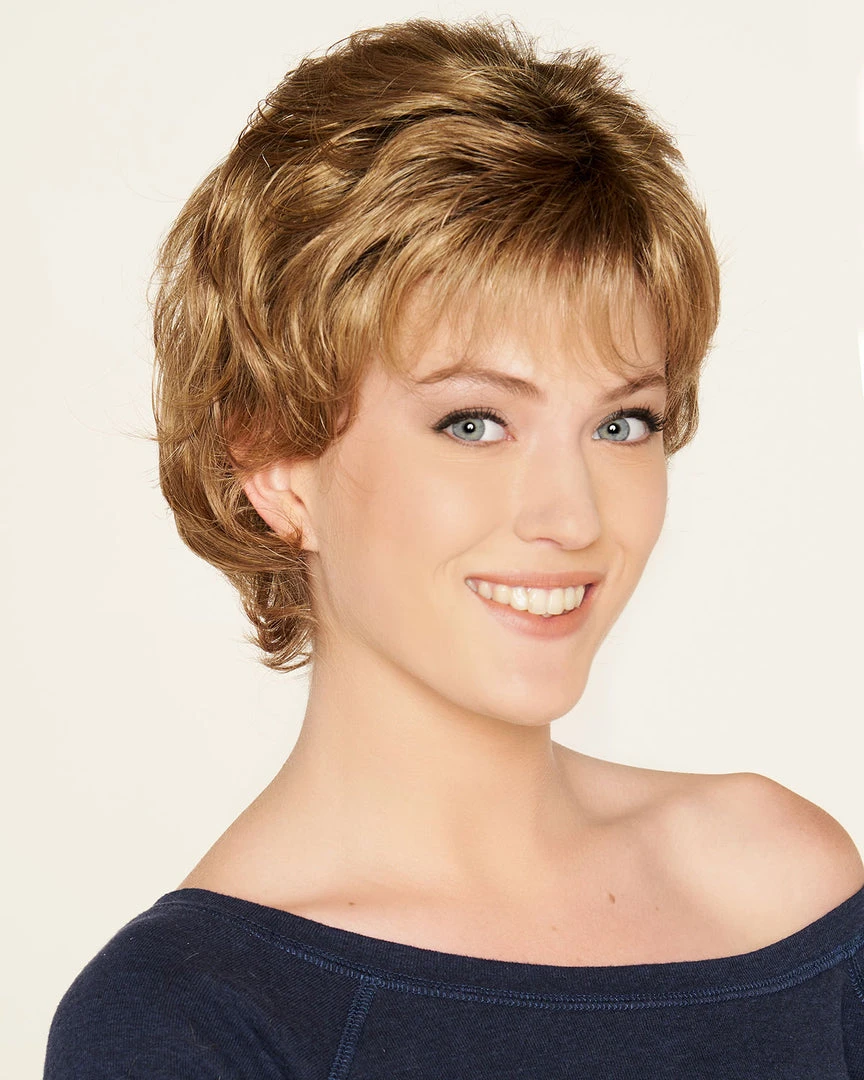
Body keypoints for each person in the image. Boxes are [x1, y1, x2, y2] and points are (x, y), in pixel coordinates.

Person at [44, 16, 864, 1078]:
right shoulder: (188, 1022)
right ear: (277, 463)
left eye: (623, 423)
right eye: (474, 423)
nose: (573, 517)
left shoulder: (785, 893)